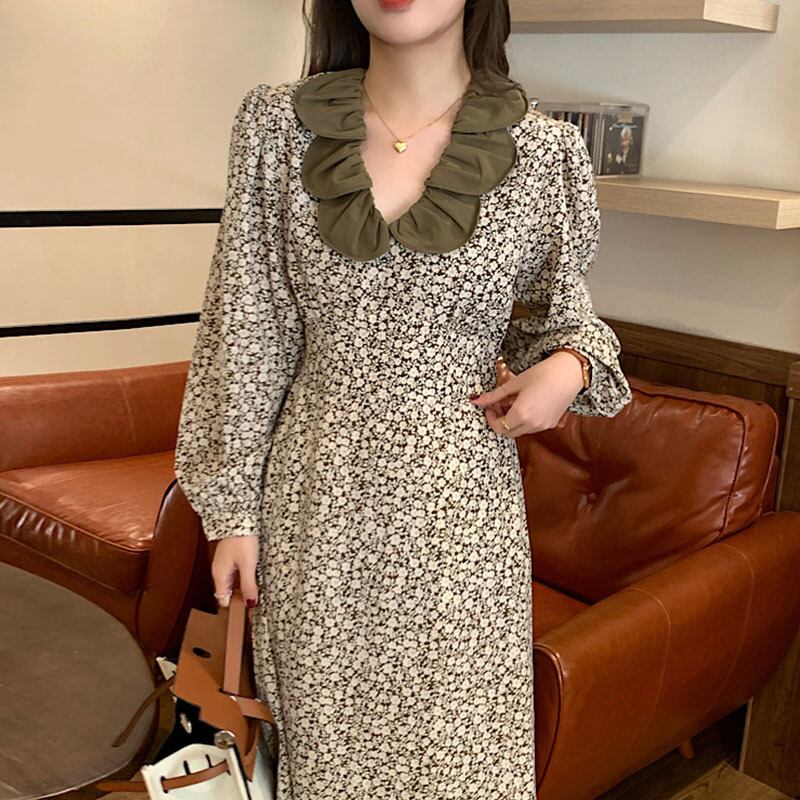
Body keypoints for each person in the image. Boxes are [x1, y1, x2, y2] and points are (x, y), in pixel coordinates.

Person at [173, 0, 632, 797]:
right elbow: (245, 328)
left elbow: (562, 318)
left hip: (460, 522)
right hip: (315, 510)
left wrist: (569, 367)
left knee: (457, 756)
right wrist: (233, 512)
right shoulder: (278, 128)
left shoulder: (543, 153)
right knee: (322, 755)